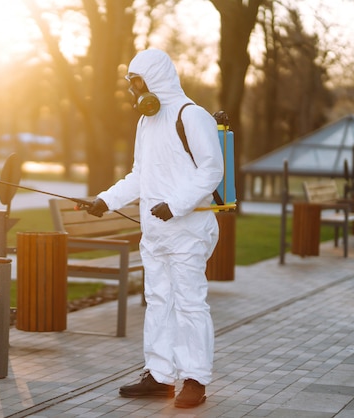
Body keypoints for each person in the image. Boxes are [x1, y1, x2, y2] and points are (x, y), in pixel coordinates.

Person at [86, 49, 224, 408]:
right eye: (131, 85)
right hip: (156, 234)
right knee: (159, 301)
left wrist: (176, 205)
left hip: (188, 230)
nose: (133, 92)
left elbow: (211, 171)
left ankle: (195, 379)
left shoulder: (191, 115)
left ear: (155, 78)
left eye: (137, 83)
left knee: (190, 303)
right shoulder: (146, 123)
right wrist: (106, 200)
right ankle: (160, 376)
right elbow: (140, 175)